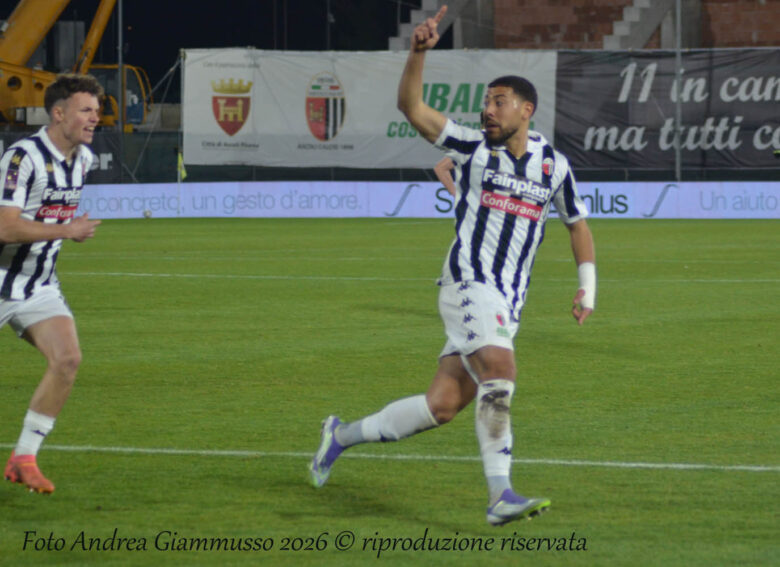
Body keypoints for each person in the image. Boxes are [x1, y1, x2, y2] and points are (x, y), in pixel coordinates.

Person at [310, 5, 596, 526]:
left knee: (439, 406)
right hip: (468, 283)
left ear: (526, 109)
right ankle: (500, 495)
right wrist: (418, 53)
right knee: (501, 371)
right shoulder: (471, 147)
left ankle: (340, 435)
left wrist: (587, 288)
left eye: (498, 102)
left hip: (507, 300)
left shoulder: (554, 165)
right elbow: (411, 107)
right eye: (485, 102)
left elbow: (576, 223)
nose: (488, 110)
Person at [1, 73, 103, 494]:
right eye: (85, 110)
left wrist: (63, 230)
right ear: (58, 114)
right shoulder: (21, 157)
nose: (95, 118)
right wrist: (66, 230)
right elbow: (5, 227)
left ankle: (24, 458)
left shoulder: (84, 159)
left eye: (97, 110)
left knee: (67, 359)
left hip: (37, 284)